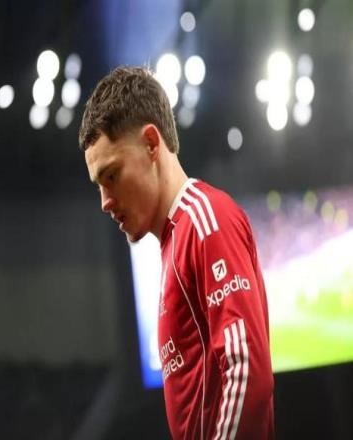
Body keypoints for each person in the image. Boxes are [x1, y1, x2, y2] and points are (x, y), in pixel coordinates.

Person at [78, 66, 275, 439]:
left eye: (112, 175)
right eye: (98, 185)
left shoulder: (205, 220)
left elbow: (245, 368)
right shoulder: (176, 240)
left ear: (152, 144)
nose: (104, 201)